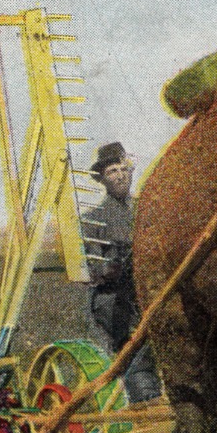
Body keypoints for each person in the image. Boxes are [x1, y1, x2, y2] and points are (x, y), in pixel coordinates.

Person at [82, 142, 162, 403]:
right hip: (113, 298)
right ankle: (148, 407)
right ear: (103, 180)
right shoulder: (93, 219)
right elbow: (94, 270)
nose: (119, 175)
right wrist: (111, 266)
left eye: (122, 169)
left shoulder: (146, 209)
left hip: (147, 290)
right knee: (134, 349)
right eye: (112, 171)